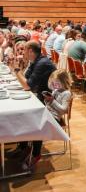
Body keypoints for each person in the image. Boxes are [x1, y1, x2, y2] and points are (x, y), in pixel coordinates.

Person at [12, 41, 56, 169]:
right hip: (39, 95)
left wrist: (16, 69)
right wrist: (20, 67)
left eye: (24, 50)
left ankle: (36, 153)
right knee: (20, 111)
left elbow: (26, 85)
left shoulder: (42, 63)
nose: (22, 52)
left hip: (51, 101)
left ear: (30, 50)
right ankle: (24, 146)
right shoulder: (36, 61)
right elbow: (25, 80)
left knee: (30, 116)